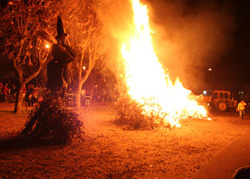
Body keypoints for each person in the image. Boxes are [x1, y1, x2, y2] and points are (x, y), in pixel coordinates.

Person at [47, 16, 75, 95]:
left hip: (63, 63)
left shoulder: (66, 46)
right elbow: (54, 53)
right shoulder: (55, 45)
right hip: (57, 63)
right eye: (63, 37)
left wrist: (65, 49)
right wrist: (59, 50)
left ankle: (63, 89)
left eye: (64, 37)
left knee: (65, 77)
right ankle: (53, 88)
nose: (64, 38)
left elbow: (72, 55)